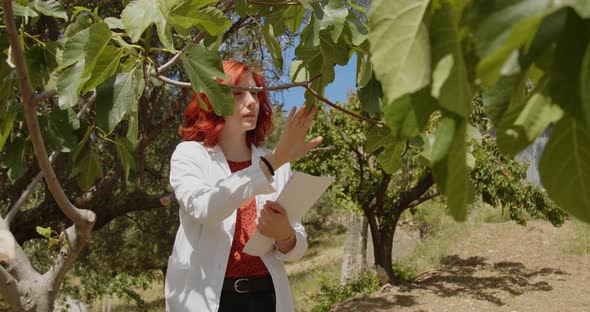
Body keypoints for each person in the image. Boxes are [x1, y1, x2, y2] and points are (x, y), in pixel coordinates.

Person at [165, 59, 323, 312]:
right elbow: (206, 209)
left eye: (256, 94)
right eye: (238, 94)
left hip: (266, 297)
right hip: (209, 300)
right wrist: (275, 160)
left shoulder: (275, 162)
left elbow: (296, 250)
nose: (251, 102)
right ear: (211, 101)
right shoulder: (189, 155)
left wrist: (285, 236)